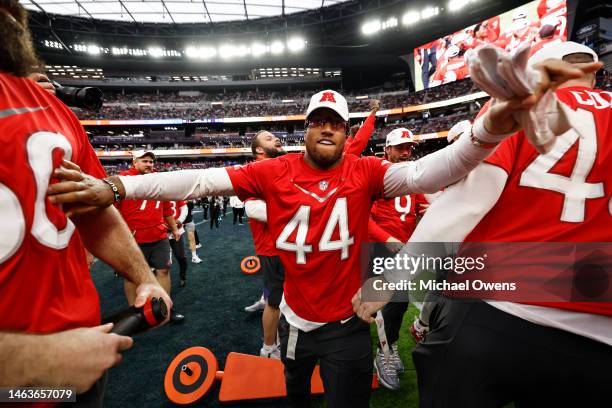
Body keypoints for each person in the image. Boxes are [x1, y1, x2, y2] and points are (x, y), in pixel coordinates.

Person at [48, 80, 576, 407]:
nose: (326, 128)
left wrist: (484, 131)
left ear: (347, 133)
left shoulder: (367, 170)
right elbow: (199, 181)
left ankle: (383, 354)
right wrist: (118, 186)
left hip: (347, 324)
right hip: (298, 321)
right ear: (306, 129)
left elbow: (430, 171)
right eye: (318, 121)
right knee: (296, 400)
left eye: (336, 123)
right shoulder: (273, 169)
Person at [401, 42, 610, 406]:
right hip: (599, 332)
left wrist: (392, 277)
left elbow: (466, 204)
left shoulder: (520, 104)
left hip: (499, 307)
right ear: (594, 72)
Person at [0, 0, 171, 400]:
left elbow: (94, 210)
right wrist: (25, 359)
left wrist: (144, 278)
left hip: (84, 352)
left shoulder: (48, 103)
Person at [366, 128, 428, 390]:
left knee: (398, 306)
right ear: (387, 150)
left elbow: (421, 209)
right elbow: (361, 217)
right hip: (378, 249)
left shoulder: (415, 180)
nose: (406, 152)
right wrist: (385, 238)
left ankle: (389, 346)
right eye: (400, 147)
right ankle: (382, 353)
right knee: (386, 305)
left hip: (404, 251)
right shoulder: (375, 175)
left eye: (409, 148)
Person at [115, 150, 184, 322]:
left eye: (151, 162)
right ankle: (136, 315)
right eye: (144, 161)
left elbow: (167, 207)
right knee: (132, 277)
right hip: (132, 239)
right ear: (134, 162)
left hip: (159, 235)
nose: (149, 164)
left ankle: (165, 308)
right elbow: (111, 211)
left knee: (164, 270)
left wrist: (174, 228)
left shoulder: (158, 179)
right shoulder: (122, 180)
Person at [243, 130, 287, 358]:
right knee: (275, 303)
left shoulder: (282, 167)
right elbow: (253, 209)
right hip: (273, 249)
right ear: (258, 150)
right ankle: (269, 349)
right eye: (269, 139)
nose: (277, 139)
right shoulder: (254, 171)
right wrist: (298, 211)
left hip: (292, 245)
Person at [169, 200, 189, 287]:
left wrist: (179, 221)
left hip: (177, 231)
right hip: (160, 232)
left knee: (181, 257)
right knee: (163, 263)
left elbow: (184, 209)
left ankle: (182, 276)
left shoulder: (175, 192)